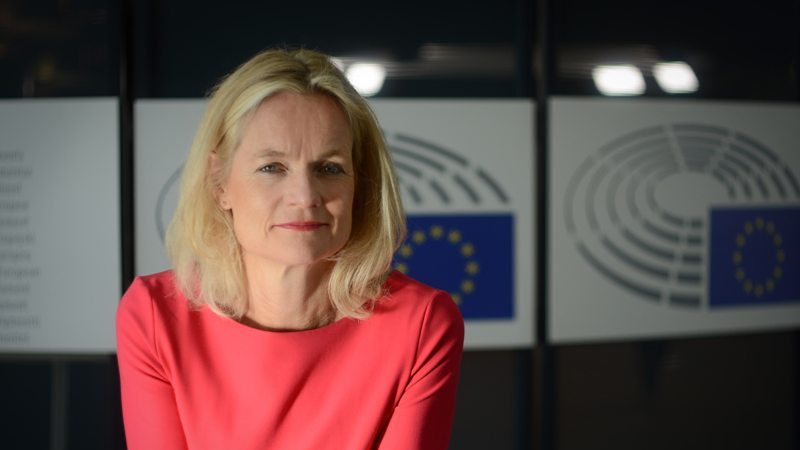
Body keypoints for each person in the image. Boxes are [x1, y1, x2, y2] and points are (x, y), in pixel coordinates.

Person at [116, 48, 464, 449]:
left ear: (359, 185)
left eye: (329, 168)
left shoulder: (420, 324)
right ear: (219, 182)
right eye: (272, 167)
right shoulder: (155, 315)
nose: (305, 195)